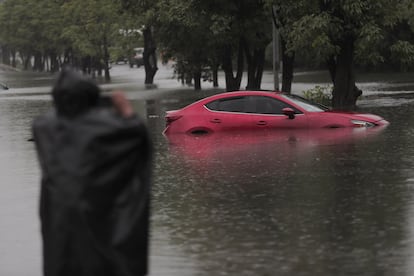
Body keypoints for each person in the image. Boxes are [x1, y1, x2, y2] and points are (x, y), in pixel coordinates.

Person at [32, 68, 152, 276]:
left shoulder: (43, 129)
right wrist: (125, 110)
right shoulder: (111, 131)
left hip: (59, 250)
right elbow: (138, 136)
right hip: (101, 246)